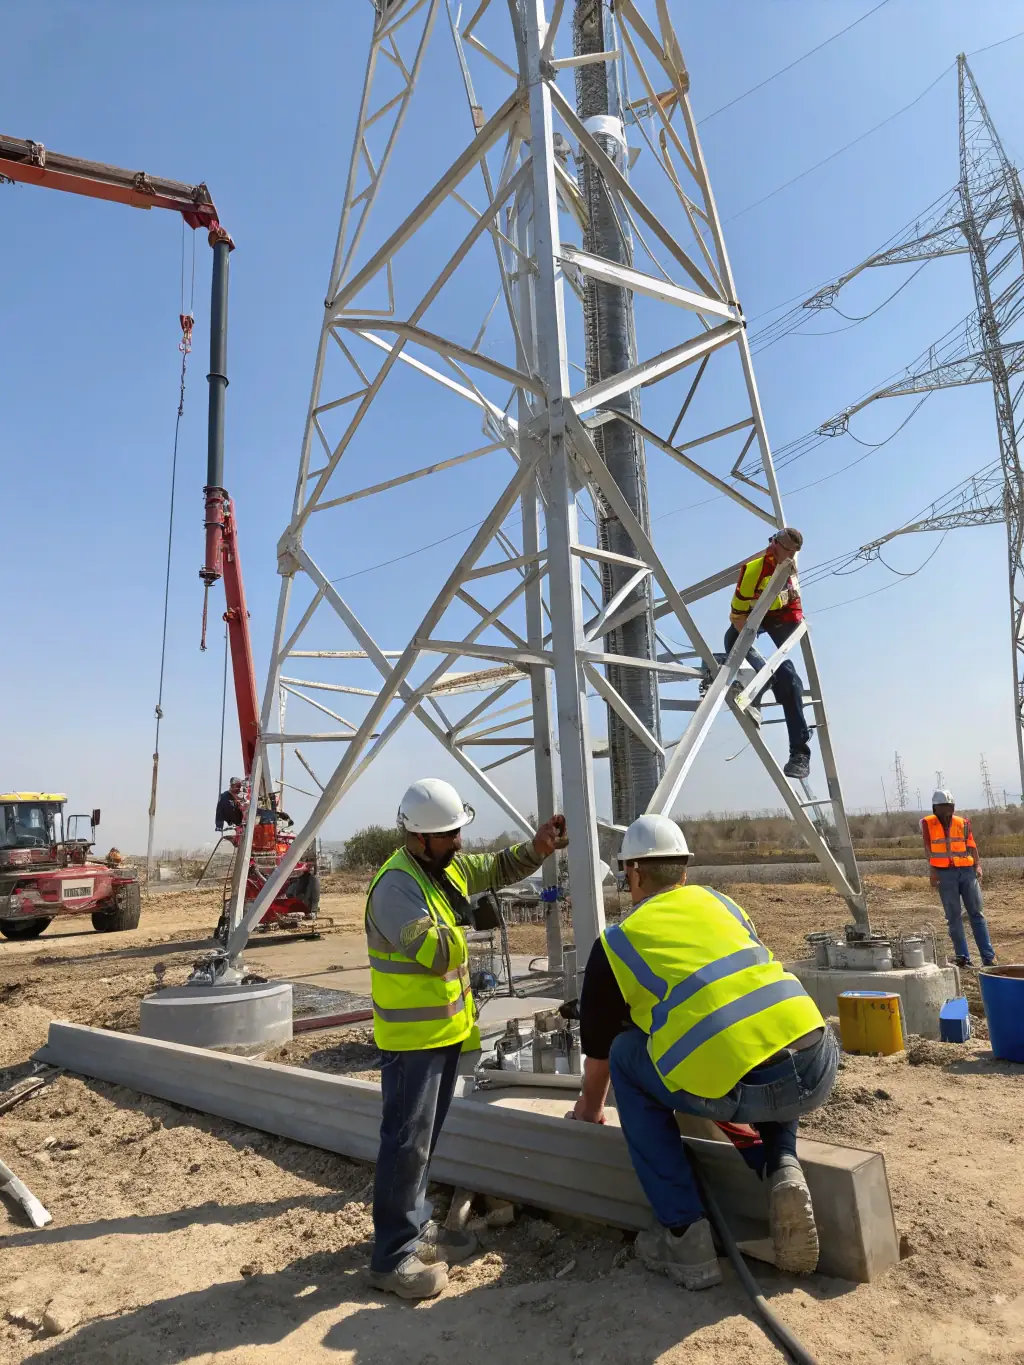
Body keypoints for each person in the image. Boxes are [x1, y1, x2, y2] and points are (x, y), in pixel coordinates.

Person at [571, 813, 838, 1290]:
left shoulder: (616, 943)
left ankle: (685, 1238)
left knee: (629, 1054)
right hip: (816, 1061)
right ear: (685, 870)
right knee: (762, 1031)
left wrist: (589, 1111)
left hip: (739, 1088)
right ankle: (780, 1165)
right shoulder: (724, 905)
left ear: (633, 873)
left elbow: (600, 1056)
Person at [365, 777, 569, 1300]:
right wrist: (469, 923)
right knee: (405, 1144)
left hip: (445, 1033)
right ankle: (391, 1257)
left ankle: (415, 1227)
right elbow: (433, 952)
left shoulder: (443, 867)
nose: (459, 842)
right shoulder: (396, 887)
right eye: (449, 835)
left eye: (458, 832)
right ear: (419, 838)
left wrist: (537, 848)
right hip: (413, 1043)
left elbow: (495, 867)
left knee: (424, 1144)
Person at [725, 526, 810, 781]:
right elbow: (738, 618)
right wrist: (763, 667)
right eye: (787, 551)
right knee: (732, 643)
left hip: (782, 619)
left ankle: (800, 753)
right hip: (751, 618)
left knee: (790, 680)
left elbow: (792, 610)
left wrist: (774, 668)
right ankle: (759, 686)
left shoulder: (790, 572)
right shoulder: (753, 571)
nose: (790, 558)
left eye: (794, 554)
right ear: (774, 545)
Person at [922, 789, 996, 968]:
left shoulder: (963, 823)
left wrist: (977, 865)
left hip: (967, 872)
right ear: (935, 808)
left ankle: (989, 958)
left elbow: (972, 845)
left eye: (949, 806)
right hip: (944, 874)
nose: (947, 810)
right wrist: (932, 872)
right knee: (953, 918)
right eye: (943, 807)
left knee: (977, 914)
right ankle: (963, 959)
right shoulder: (927, 824)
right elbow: (928, 849)